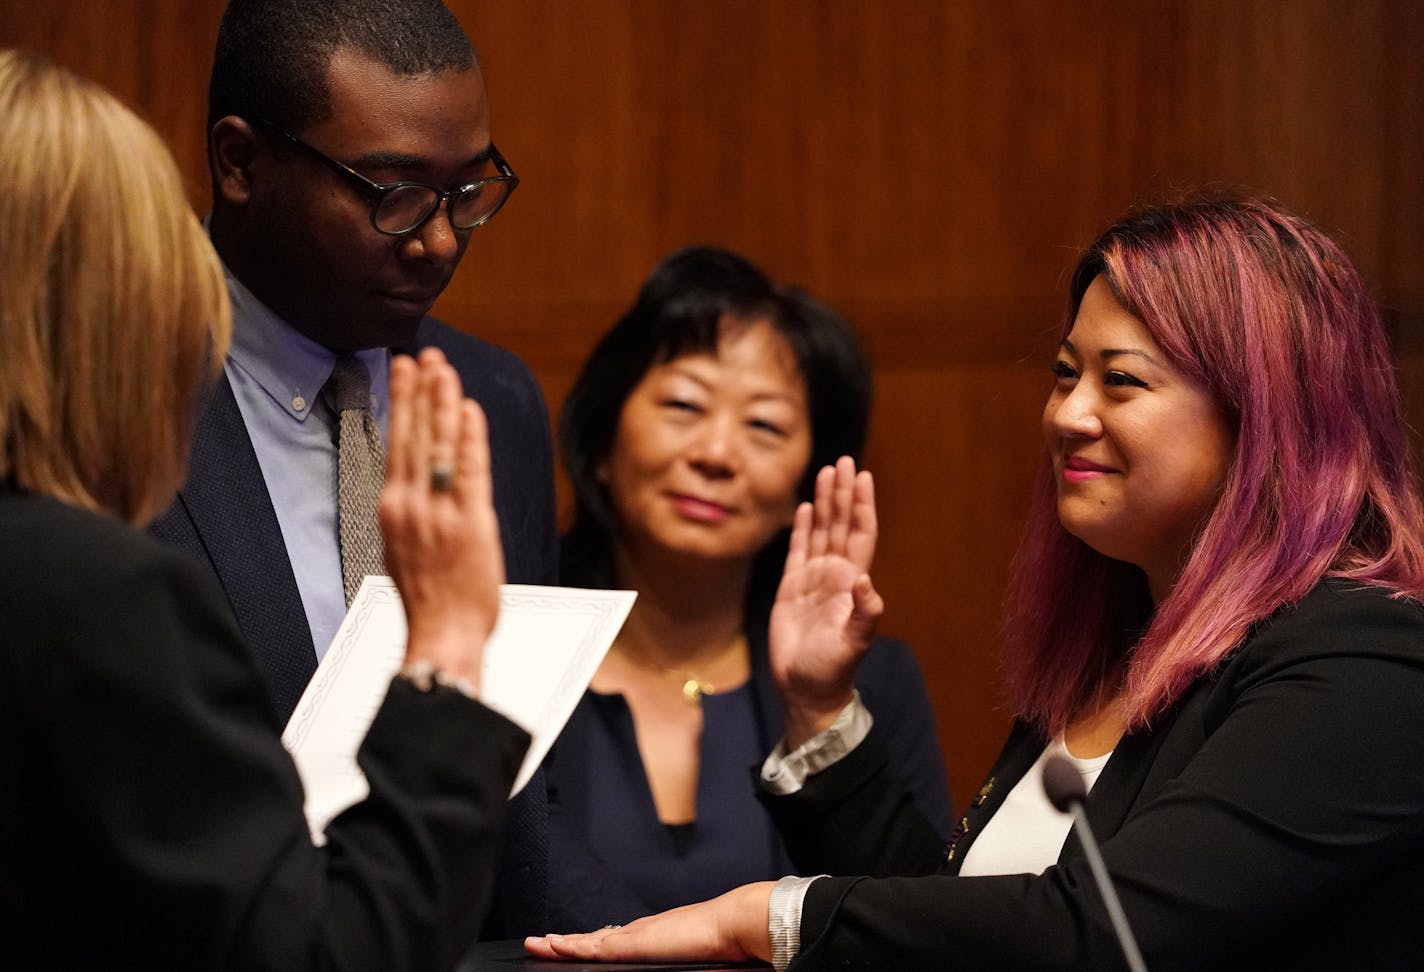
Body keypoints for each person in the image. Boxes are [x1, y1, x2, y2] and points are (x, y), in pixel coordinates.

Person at [525, 195, 1424, 969]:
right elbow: (955, 922)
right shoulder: (1119, 646)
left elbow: (1105, 934)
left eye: (1122, 381)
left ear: (1262, 414)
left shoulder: (1362, 659)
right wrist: (821, 709)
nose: (1069, 415)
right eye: (1066, 374)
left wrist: (770, 913)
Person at [0, 49, 525, 969]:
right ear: (105, 300)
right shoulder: (87, 592)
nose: (436, 240)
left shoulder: (497, 396)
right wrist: (442, 647)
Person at [148, 0, 557, 934]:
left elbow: (527, 803)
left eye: (468, 191)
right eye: (392, 194)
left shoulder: (493, 401)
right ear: (241, 162)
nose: (440, 241)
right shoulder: (116, 403)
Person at [544, 246, 952, 925]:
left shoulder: (870, 683)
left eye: (764, 425)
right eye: (683, 404)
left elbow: (921, 926)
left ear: (809, 478)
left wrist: (821, 711)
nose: (715, 455)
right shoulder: (508, 656)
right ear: (602, 437)